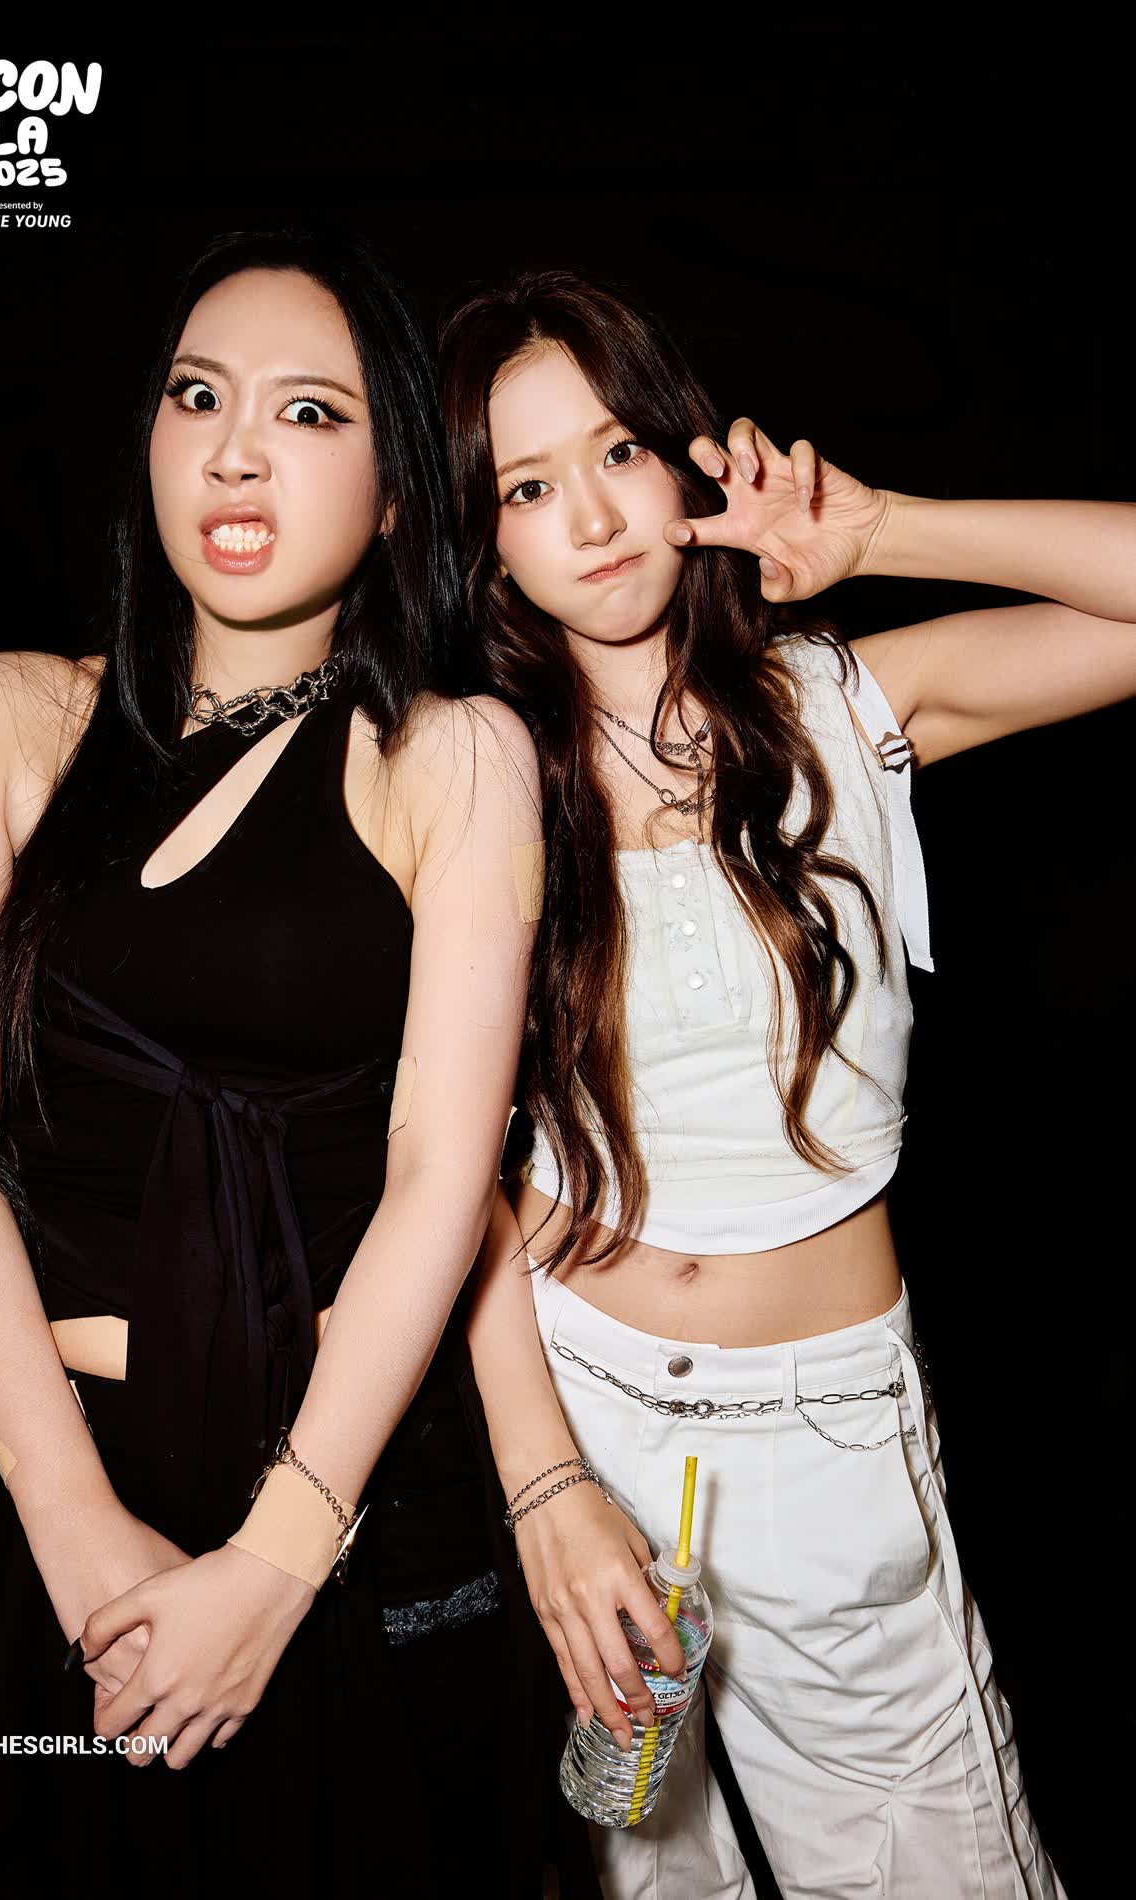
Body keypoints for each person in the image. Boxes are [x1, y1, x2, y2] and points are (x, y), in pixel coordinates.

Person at [0, 229, 589, 1899]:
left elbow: (443, 1180)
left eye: (311, 411)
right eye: (199, 396)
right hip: (40, 1489)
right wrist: (74, 1528)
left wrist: (276, 1563)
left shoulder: (455, 758)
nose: (237, 450)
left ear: (401, 493)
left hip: (353, 1507)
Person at [439, 268, 1134, 1899]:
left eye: (617, 451)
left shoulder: (841, 707)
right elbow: (440, 1167)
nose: (590, 516)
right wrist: (544, 1485)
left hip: (826, 1430)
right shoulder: (464, 774)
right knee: (650, 1875)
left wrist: (885, 531)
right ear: (484, 543)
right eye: (527, 487)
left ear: (681, 454)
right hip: (582, 1402)